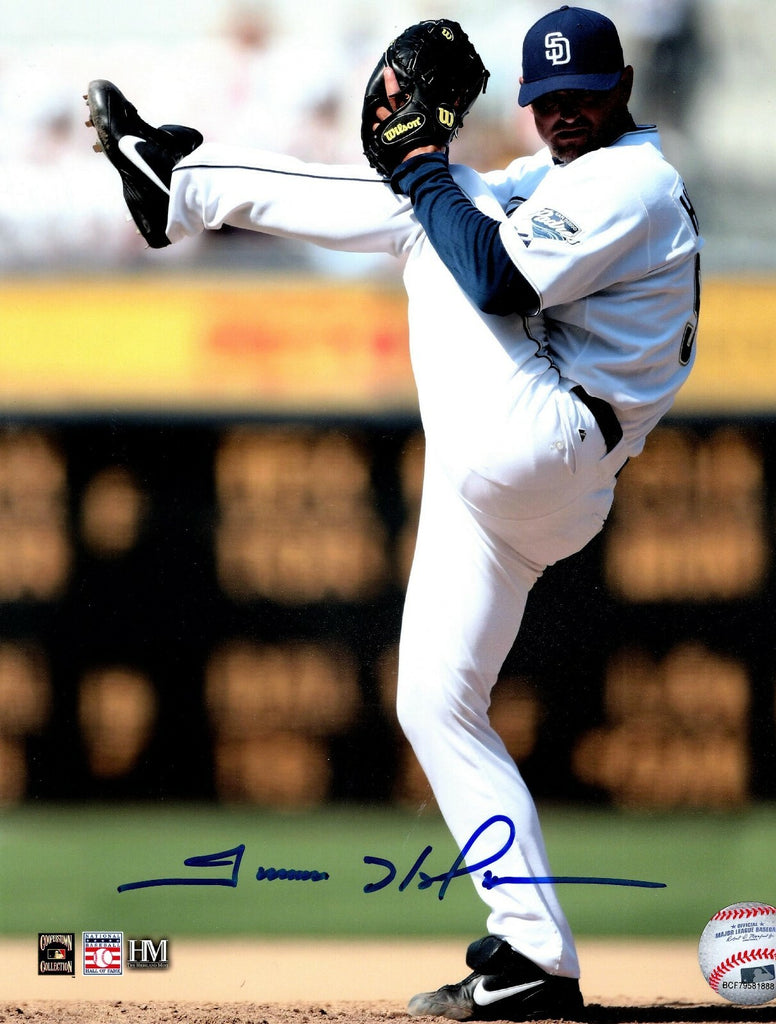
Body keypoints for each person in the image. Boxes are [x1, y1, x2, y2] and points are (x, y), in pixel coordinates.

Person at [87, 5, 702, 1020]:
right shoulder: (567, 174)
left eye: (584, 97)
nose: (564, 114)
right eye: (548, 100)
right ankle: (533, 954)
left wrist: (418, 162)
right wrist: (417, 169)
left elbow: (495, 276)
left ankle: (180, 185)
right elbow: (447, 203)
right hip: (536, 480)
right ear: (529, 102)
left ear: (623, 88)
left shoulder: (631, 182)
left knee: (434, 220)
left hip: (543, 437)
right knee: (434, 700)